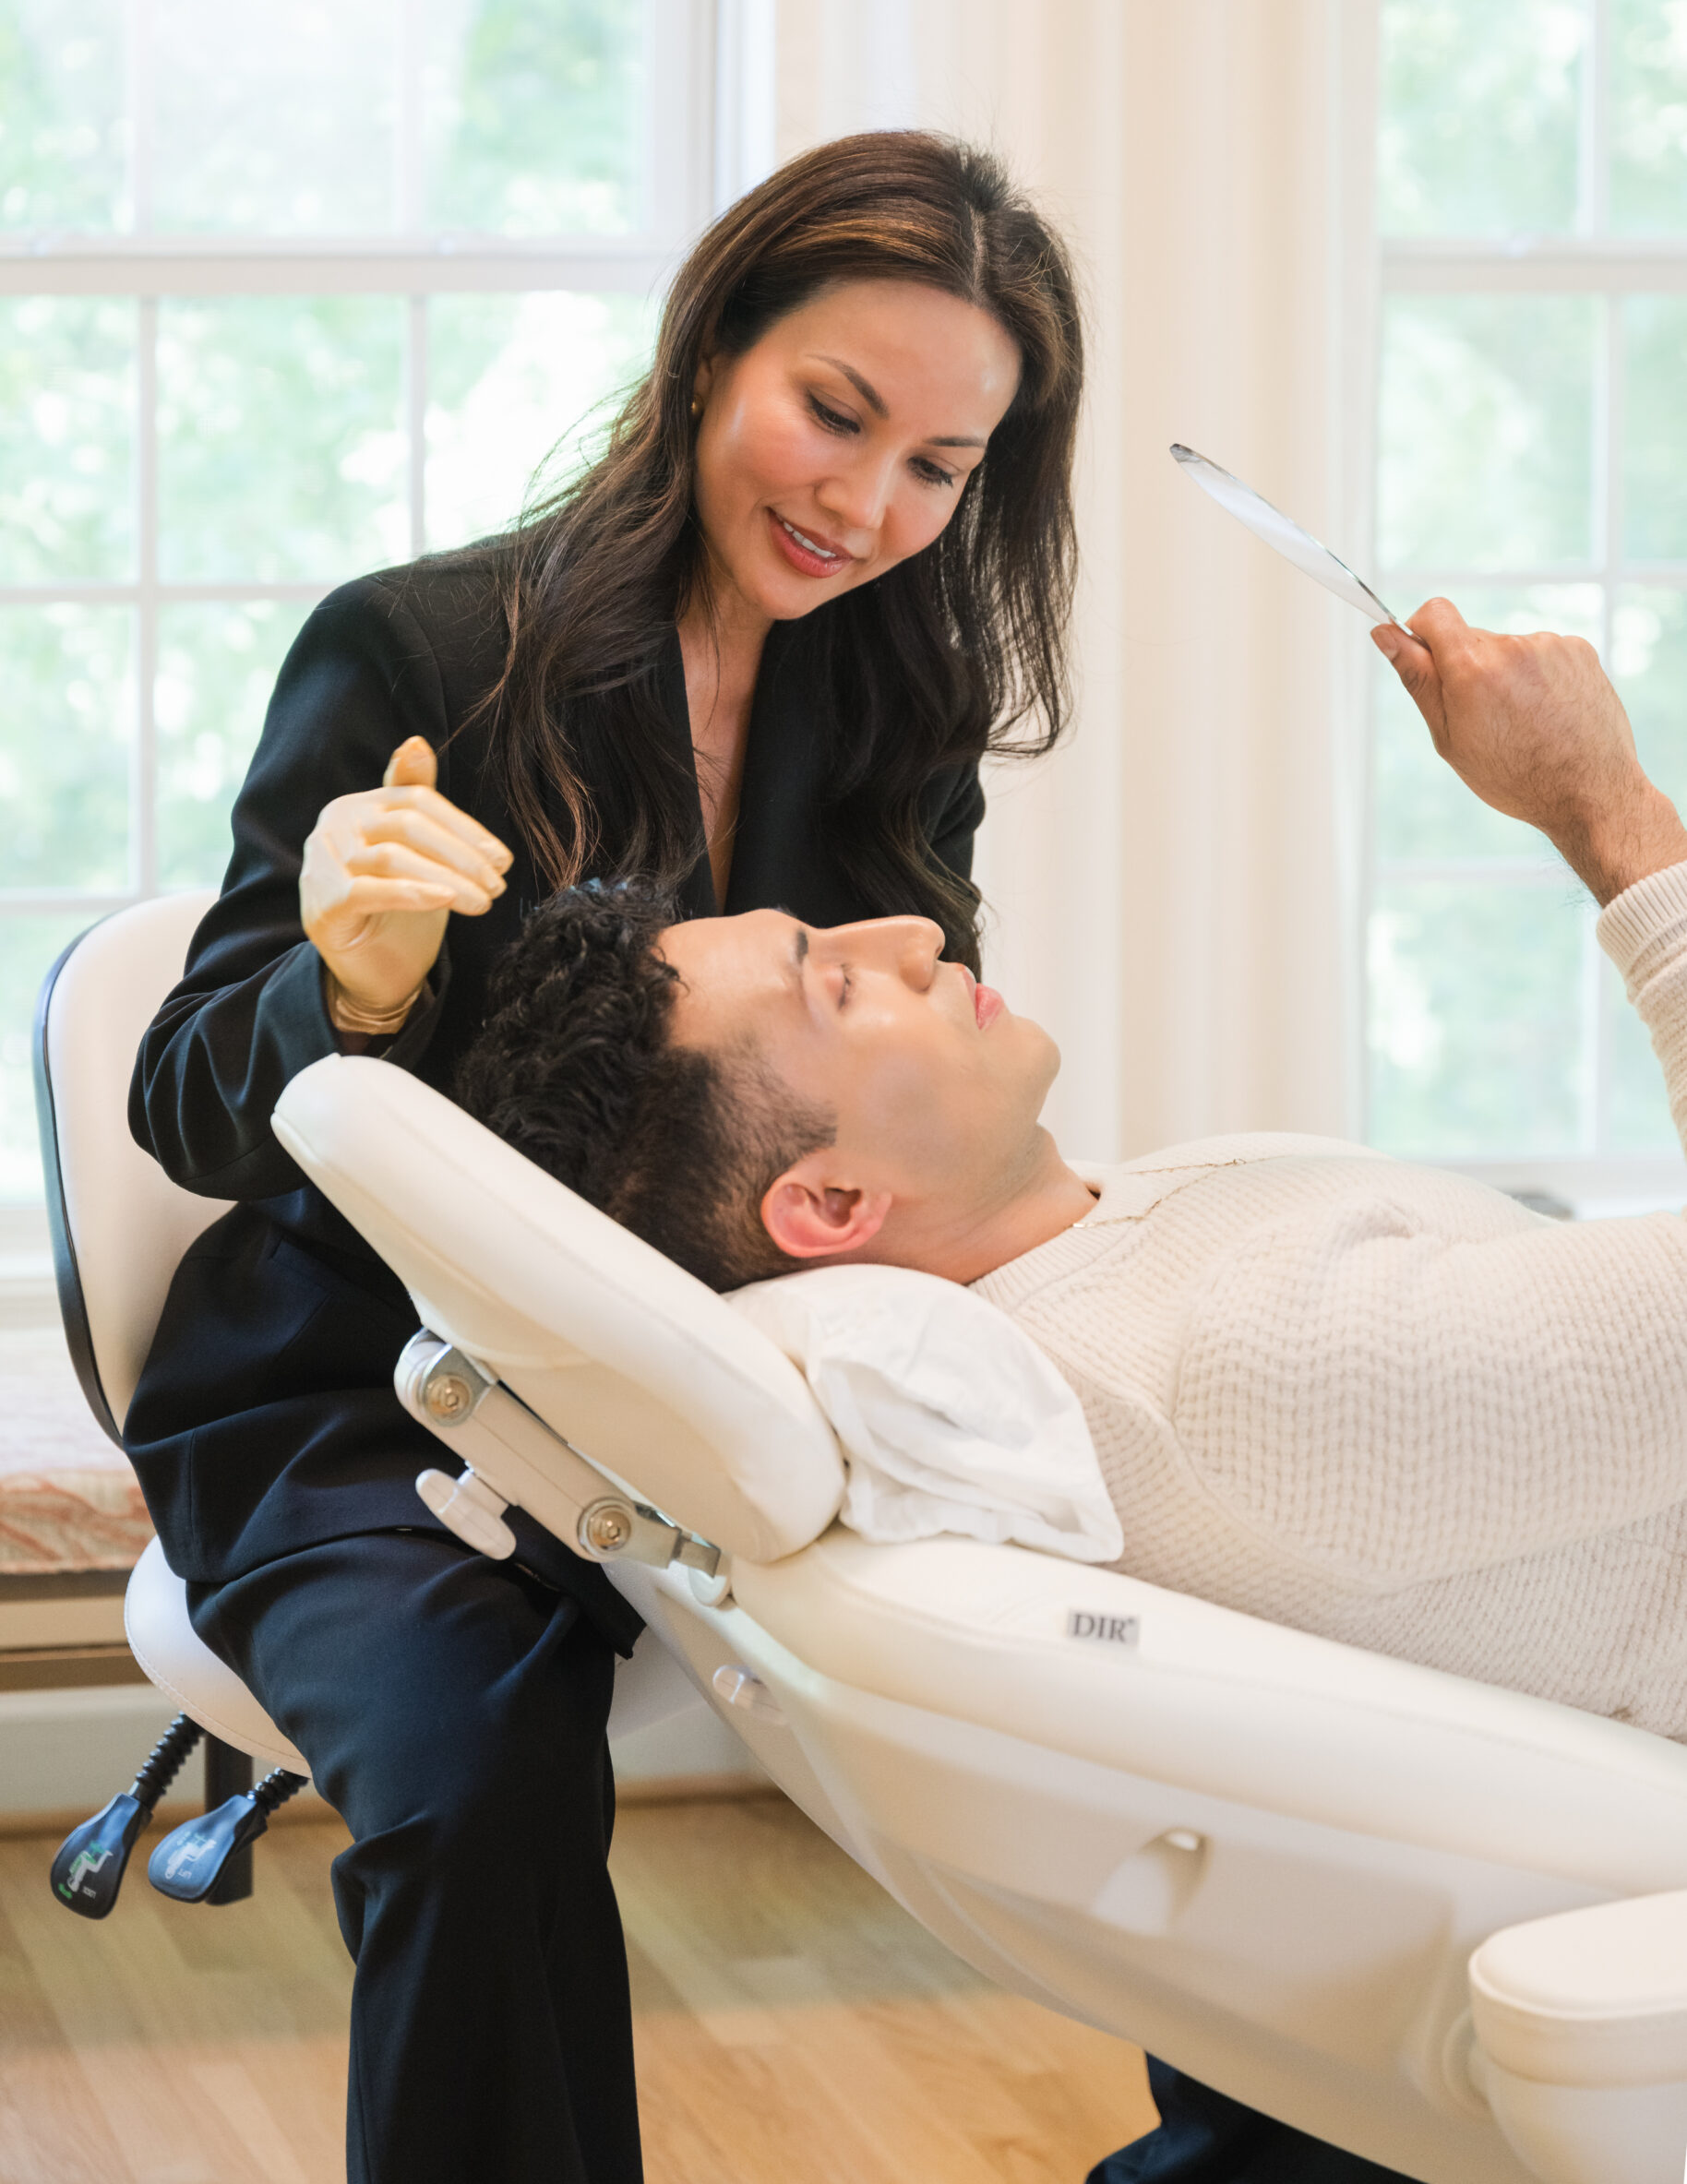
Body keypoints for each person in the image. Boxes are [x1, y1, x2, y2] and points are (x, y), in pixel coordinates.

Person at [123, 131, 1086, 2184]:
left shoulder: (902, 705)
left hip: (734, 1394)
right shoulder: (415, 652)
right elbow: (190, 1095)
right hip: (370, 1398)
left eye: (937, 465)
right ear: (708, 346)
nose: (864, 502)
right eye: (835, 412)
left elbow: (903, 1116)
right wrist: (351, 989)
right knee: (475, 1776)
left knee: (1187, 1675)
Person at [457, 596, 1687, 2184]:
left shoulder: (1093, 1282)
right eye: (839, 983)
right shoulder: (1247, 1376)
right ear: (827, 1213)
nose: (911, 935)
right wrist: (1610, 812)